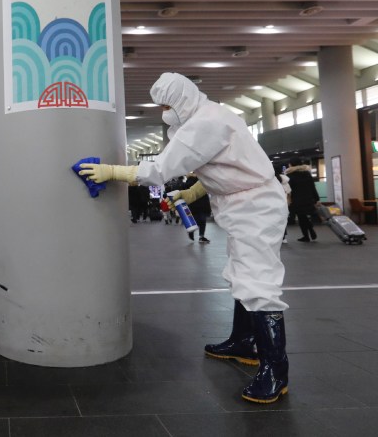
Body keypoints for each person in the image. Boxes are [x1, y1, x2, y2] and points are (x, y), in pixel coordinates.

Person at [80, 72, 289, 404]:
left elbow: (159, 169)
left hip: (255, 208)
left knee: (258, 283)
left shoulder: (205, 123)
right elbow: (225, 165)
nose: (164, 111)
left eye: (166, 104)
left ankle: (275, 372)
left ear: (182, 99)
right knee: (241, 274)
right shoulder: (209, 116)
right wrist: (192, 193)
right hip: (243, 204)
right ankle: (243, 342)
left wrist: (113, 172)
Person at [285, 157, 319, 242]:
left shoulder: (290, 175)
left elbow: (289, 189)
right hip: (308, 199)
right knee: (303, 217)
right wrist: (316, 198)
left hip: (296, 200)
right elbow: (312, 187)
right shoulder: (307, 174)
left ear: (291, 164)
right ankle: (308, 234)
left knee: (302, 217)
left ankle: (308, 234)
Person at [184, 173, 211, 243]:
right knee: (202, 221)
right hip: (202, 204)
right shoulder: (199, 181)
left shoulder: (187, 183)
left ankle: (192, 232)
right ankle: (201, 236)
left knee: (197, 220)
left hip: (193, 204)